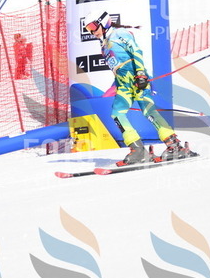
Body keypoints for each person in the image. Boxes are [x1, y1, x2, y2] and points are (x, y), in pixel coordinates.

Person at [82, 9, 193, 166]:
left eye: (93, 27)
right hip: (123, 85)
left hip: (136, 79)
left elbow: (136, 51)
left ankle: (174, 146)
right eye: (88, 29)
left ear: (103, 22)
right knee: (117, 114)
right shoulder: (104, 45)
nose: (92, 32)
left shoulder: (119, 33)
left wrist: (140, 74)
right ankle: (138, 150)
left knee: (148, 111)